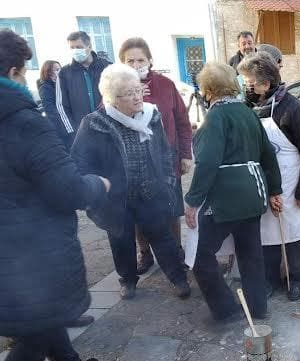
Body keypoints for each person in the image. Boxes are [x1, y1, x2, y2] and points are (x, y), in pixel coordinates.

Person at [0, 29, 110, 361]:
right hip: (27, 252)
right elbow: (66, 189)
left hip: (14, 250)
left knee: (38, 320)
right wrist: (96, 184)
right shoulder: (24, 123)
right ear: (14, 71)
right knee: (31, 334)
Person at [72, 64, 191, 300]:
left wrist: (167, 181)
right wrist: (96, 189)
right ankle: (127, 280)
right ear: (112, 98)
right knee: (120, 240)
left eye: (138, 89)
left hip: (150, 191)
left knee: (162, 236)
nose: (137, 96)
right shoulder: (94, 123)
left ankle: (178, 278)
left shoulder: (151, 115)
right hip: (115, 197)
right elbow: (80, 162)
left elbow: (164, 151)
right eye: (129, 93)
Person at [184, 62, 282, 320]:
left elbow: (206, 162)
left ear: (207, 90)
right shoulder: (247, 112)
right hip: (253, 195)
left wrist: (192, 201)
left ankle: (226, 309)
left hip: (227, 199)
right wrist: (274, 189)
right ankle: (258, 308)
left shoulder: (215, 116)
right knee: (251, 254)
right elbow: (268, 153)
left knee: (201, 255)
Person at [239, 52, 300, 301]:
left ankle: (297, 278)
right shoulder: (249, 107)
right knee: (265, 235)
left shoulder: (294, 109)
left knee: (293, 233)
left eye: (249, 80)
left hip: (291, 183)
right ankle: (270, 278)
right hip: (262, 185)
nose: (246, 85)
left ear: (265, 82)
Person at [118, 37, 193, 274]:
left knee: (171, 208)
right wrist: (132, 95)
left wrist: (185, 154)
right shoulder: (115, 88)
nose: (136, 64)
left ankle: (175, 251)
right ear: (122, 63)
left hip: (166, 158)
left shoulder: (166, 85)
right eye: (130, 60)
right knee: (140, 212)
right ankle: (145, 253)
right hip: (133, 162)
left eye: (140, 59)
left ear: (150, 60)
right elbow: (105, 115)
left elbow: (182, 121)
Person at [56, 31, 111, 145]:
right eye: (72, 48)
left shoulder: (107, 67)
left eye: (79, 47)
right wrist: (73, 131)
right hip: (81, 133)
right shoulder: (64, 73)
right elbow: (61, 106)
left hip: (109, 130)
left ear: (89, 46)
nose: (75, 51)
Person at [37, 60, 72, 150]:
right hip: (61, 128)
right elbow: (51, 110)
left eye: (60, 69)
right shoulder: (45, 88)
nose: (60, 72)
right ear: (48, 72)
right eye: (57, 69)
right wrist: (64, 129)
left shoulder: (61, 85)